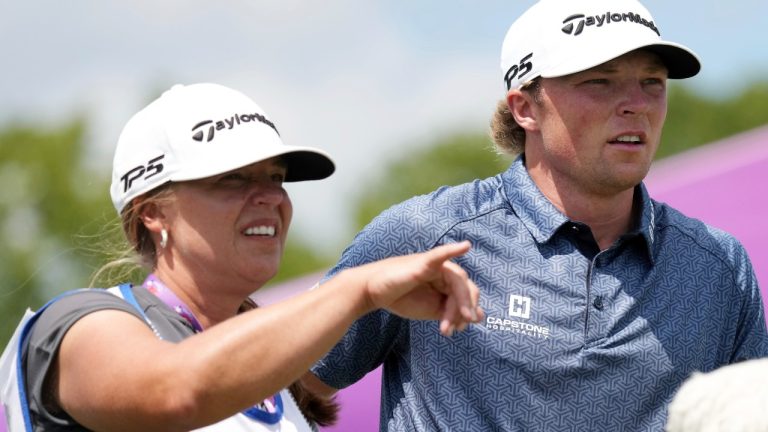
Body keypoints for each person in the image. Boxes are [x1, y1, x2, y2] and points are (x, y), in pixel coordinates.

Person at [302, 0, 768, 430]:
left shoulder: (719, 267)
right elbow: (284, 393)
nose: (637, 105)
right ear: (525, 108)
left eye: (652, 82)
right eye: (599, 81)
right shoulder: (427, 236)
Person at [17, 83, 484, 431]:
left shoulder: (277, 383)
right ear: (154, 213)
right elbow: (175, 392)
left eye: (276, 178)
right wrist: (358, 288)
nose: (269, 198)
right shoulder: (79, 322)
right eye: (234, 179)